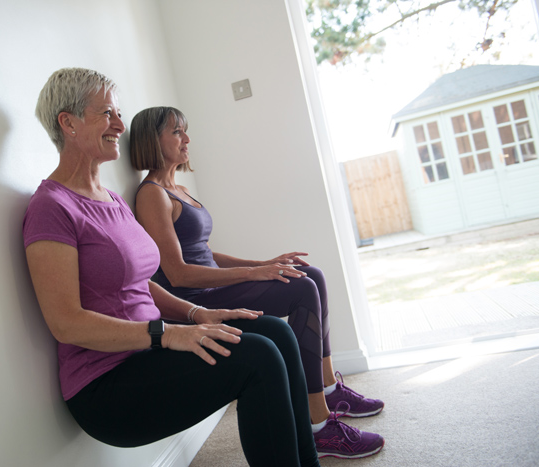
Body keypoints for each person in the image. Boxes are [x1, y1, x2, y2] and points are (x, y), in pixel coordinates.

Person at [23, 68, 323, 466]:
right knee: (258, 358)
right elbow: (66, 323)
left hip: (149, 352)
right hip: (107, 384)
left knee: (275, 331)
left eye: (118, 113)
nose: (119, 124)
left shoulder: (111, 199)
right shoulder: (51, 208)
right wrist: (167, 335)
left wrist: (200, 314)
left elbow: (141, 283)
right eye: (107, 113)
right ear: (68, 122)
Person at [130, 106, 385, 460]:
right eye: (176, 132)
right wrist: (254, 274)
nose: (186, 139)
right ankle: (319, 425)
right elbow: (178, 273)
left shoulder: (180, 189)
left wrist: (266, 264)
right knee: (301, 288)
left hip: (214, 284)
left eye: (185, 131)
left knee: (309, 275)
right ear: (152, 140)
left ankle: (328, 389)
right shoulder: (151, 194)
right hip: (197, 298)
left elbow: (205, 252)